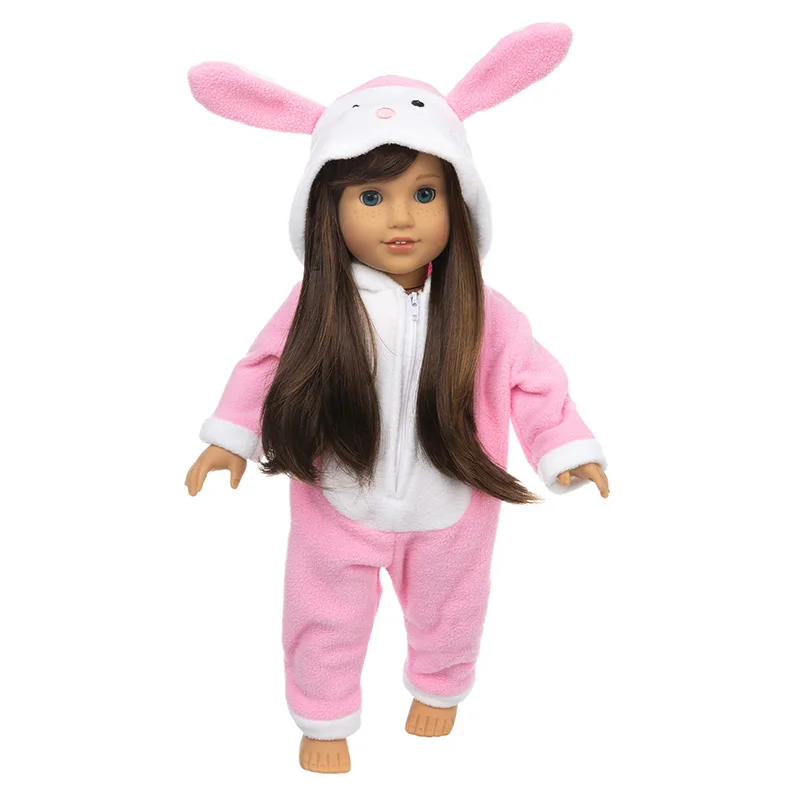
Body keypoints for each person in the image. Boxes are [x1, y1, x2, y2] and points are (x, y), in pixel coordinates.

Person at [183, 22, 610, 774]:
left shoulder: (486, 313)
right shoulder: (317, 304)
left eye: (425, 193)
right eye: (372, 196)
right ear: (328, 209)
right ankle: (323, 718)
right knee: (321, 615)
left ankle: (440, 688)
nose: (402, 217)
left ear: (460, 203)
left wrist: (562, 447)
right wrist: (230, 438)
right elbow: (263, 365)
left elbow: (535, 380)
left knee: (453, 609)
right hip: (336, 501)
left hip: (453, 506)